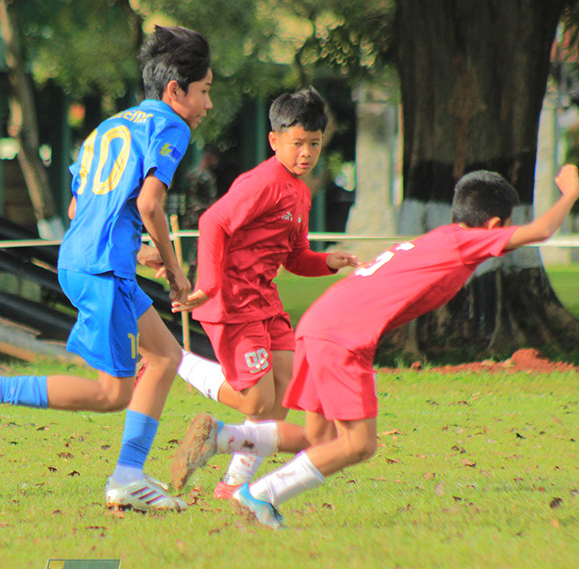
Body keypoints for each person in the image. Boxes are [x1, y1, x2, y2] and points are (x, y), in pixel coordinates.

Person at [172, 164, 579, 528]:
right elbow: (540, 231)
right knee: (359, 444)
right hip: (344, 338)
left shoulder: (440, 236)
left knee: (317, 436)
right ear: (494, 226)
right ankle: (260, 495)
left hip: (319, 323)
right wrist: (572, 193)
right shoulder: (465, 242)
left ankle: (222, 438)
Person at [0, 25, 212, 512]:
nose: (208, 105)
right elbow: (151, 205)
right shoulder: (171, 126)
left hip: (89, 261)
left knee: (166, 357)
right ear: (175, 92)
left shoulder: (110, 127)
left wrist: (139, 252)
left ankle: (129, 475)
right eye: (205, 91)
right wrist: (174, 271)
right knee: (113, 393)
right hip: (102, 270)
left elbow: (78, 210)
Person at [173, 88, 357, 501]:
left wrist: (326, 262)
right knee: (257, 402)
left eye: (314, 144)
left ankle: (234, 483)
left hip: (265, 302)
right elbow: (212, 223)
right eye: (297, 144)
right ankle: (177, 362)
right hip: (235, 303)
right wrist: (209, 284)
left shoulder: (300, 192)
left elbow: (294, 256)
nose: (306, 153)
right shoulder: (262, 183)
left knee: (285, 389)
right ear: (275, 141)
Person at [181, 143, 220, 284]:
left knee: (196, 248)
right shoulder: (206, 176)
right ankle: (195, 280)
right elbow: (211, 200)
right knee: (202, 249)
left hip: (190, 215)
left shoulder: (190, 173)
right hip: (203, 216)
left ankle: (191, 278)